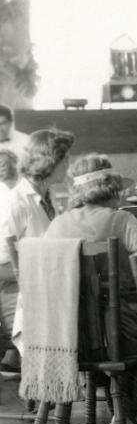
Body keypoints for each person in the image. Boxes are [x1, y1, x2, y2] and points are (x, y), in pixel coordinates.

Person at [45, 153, 137, 424]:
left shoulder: (58, 224)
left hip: (69, 335)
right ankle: (128, 411)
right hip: (116, 335)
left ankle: (123, 410)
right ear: (111, 189)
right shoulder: (119, 220)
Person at [0, 128, 74, 374]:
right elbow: (1, 265)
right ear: (50, 161)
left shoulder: (47, 197)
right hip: (16, 299)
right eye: (66, 158)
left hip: (42, 292)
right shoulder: (17, 202)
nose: (69, 164)